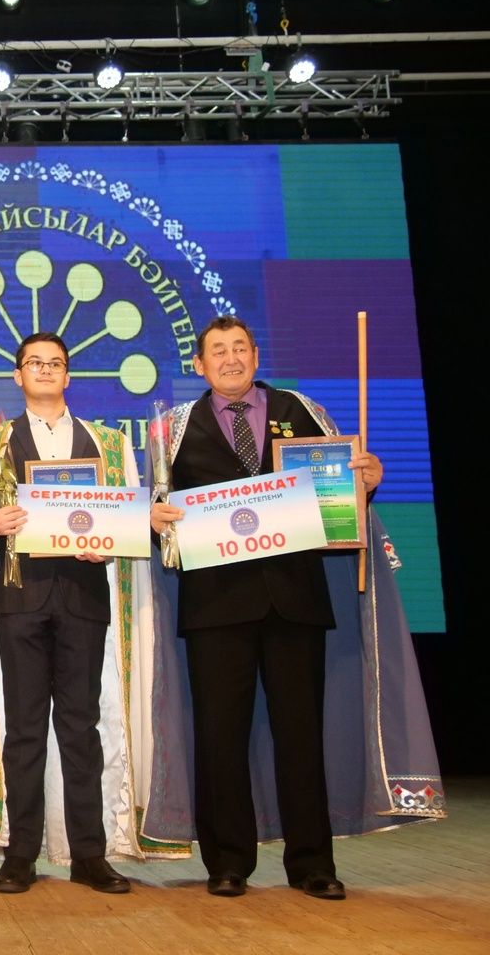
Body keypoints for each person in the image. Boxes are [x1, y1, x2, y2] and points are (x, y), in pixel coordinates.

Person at [149, 315, 383, 901]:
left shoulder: (300, 409)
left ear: (256, 355)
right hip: (215, 604)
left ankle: (313, 864)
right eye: (218, 350)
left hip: (293, 598)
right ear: (199, 364)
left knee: (301, 736)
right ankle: (228, 863)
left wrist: (365, 481)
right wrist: (155, 515)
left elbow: (339, 487)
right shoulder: (174, 427)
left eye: (240, 348)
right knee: (220, 738)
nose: (230, 359)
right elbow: (158, 499)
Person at [0, 332, 148, 895]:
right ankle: (20, 854)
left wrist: (110, 542)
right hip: (20, 601)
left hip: (84, 599)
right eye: (35, 362)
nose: (46, 370)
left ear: (68, 375)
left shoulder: (108, 443)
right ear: (18, 375)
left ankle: (89, 855)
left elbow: (126, 518)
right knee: (25, 731)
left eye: (55, 363)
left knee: (81, 729)